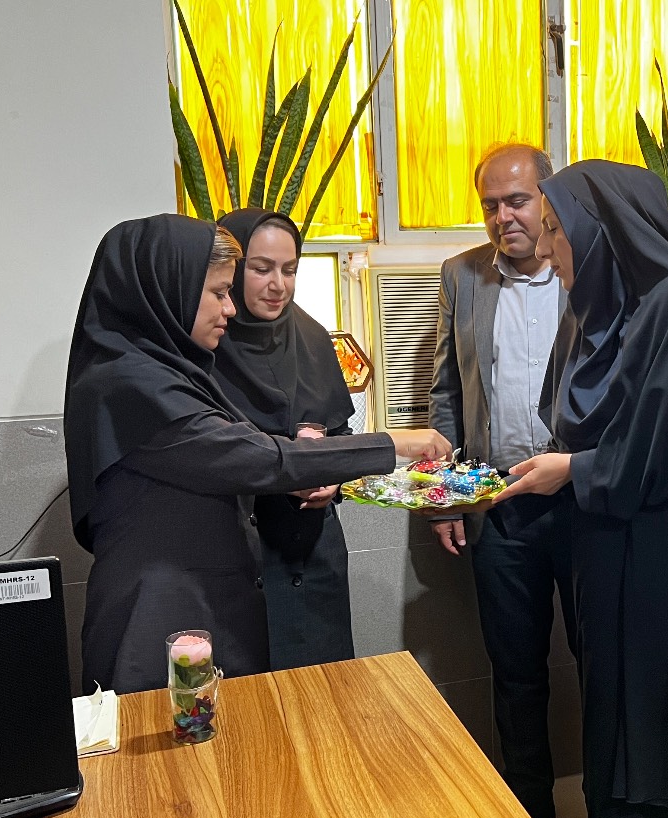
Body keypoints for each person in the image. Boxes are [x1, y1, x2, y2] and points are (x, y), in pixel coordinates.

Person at [65, 213, 448, 694]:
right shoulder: (131, 383)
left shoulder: (170, 368)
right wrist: (393, 443)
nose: (230, 308)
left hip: (212, 604)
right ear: (169, 290)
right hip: (157, 616)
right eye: (219, 292)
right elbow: (255, 458)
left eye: (289, 270)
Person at [495, 160, 668, 818]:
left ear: (602, 230)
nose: (546, 249)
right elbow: (568, 421)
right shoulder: (590, 314)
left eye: (556, 230)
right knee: (618, 737)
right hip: (614, 560)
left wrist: (574, 469)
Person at [428, 143, 575, 818]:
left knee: (599, 656)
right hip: (499, 505)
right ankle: (528, 810)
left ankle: (610, 807)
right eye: (490, 204)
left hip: (580, 501)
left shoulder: (586, 270)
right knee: (515, 668)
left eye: (516, 201)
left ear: (548, 199)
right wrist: (447, 497)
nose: (502, 217)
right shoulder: (461, 276)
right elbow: (445, 395)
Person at [210, 208, 359, 670]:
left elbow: (340, 434)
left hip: (312, 551)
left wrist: (331, 475)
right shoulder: (206, 344)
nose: (278, 285)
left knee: (324, 691)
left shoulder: (311, 336)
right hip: (240, 556)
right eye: (261, 269)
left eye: (289, 269)